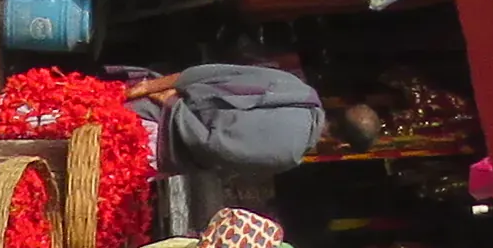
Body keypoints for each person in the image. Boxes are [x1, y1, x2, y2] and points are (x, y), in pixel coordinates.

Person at [116, 61, 382, 175]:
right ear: (340, 144)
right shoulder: (289, 154)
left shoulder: (297, 87)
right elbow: (215, 148)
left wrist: (152, 87)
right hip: (150, 143)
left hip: (144, 102)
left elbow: (212, 72)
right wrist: (174, 107)